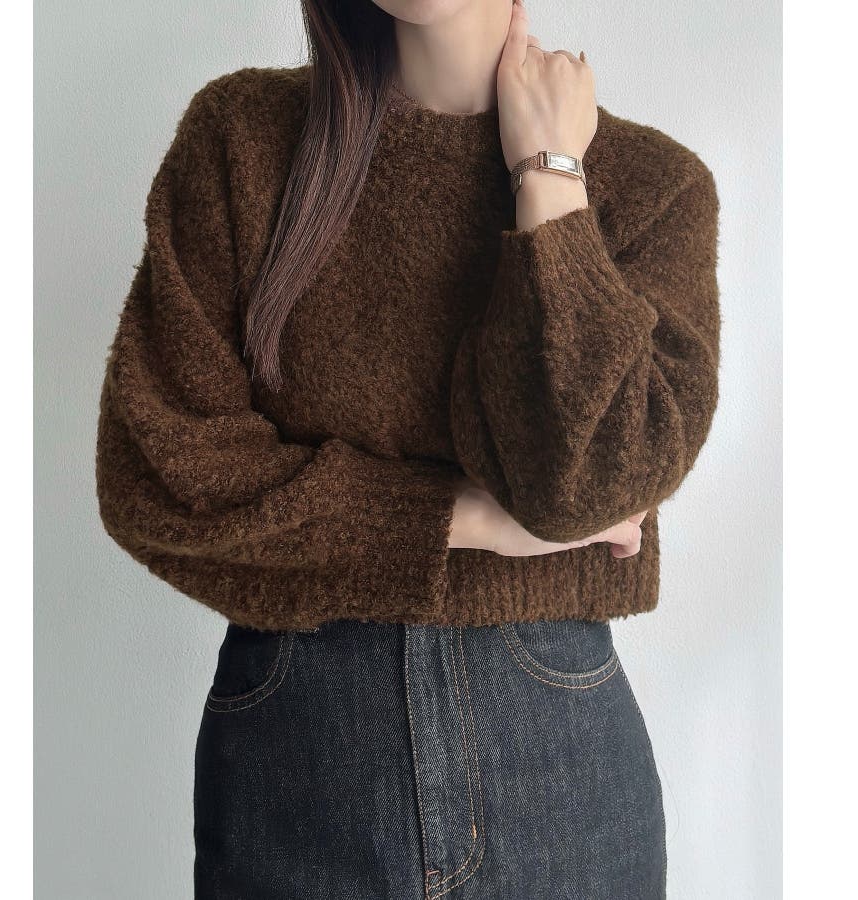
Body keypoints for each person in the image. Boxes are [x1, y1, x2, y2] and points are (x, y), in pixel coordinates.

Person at [95, 1, 721, 897]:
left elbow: (584, 488)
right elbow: (163, 477)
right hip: (299, 756)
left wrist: (550, 180)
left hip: (556, 766)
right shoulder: (243, 141)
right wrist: (455, 519)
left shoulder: (655, 187)